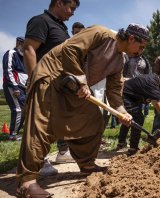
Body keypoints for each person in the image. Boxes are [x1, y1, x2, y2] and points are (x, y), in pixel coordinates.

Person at [16, 24, 149, 197]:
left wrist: (122, 112)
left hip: (74, 87)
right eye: (141, 47)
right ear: (131, 39)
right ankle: (27, 182)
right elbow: (70, 50)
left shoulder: (120, 60)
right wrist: (82, 81)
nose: (141, 52)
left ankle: (87, 164)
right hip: (52, 77)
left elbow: (114, 90)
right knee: (42, 125)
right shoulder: (100, 34)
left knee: (93, 119)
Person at [23, 0, 80, 168]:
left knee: (59, 120)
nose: (72, 12)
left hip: (59, 84)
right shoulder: (41, 21)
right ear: (59, 3)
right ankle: (38, 162)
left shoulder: (61, 28)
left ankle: (62, 152)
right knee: (40, 123)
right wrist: (35, 79)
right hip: (43, 81)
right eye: (71, 8)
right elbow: (29, 49)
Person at [119, 69, 160, 155]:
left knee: (129, 117)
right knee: (137, 118)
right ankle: (133, 149)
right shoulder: (152, 85)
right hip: (126, 95)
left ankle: (121, 143)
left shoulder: (154, 80)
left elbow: (158, 94)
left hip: (132, 97)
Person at [117, 53, 151, 152]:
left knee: (131, 117)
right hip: (127, 89)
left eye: (143, 48)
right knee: (131, 116)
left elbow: (147, 74)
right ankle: (126, 144)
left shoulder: (144, 60)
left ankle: (128, 144)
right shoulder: (127, 57)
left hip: (138, 92)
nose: (141, 50)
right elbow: (119, 71)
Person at [2, 37, 27, 141]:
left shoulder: (25, 57)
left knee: (25, 110)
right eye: (24, 44)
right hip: (13, 86)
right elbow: (8, 70)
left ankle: (16, 132)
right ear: (19, 43)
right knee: (17, 110)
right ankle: (12, 135)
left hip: (24, 88)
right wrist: (15, 87)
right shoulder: (11, 53)